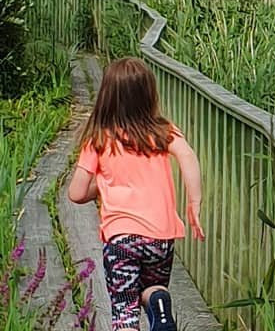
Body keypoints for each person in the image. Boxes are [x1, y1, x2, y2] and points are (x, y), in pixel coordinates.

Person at [68, 57, 206, 331]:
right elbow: (187, 155)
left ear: (107, 96)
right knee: (152, 286)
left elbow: (76, 192)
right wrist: (194, 201)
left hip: (121, 239)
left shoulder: (98, 138)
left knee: (124, 311)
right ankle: (157, 298)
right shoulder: (163, 130)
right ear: (149, 95)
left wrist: (103, 180)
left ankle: (142, 311)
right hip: (161, 237)